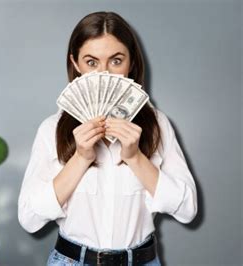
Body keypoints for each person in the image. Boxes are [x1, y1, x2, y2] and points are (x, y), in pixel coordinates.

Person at [17, 11, 198, 266]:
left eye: (116, 61)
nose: (104, 73)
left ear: (131, 62)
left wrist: (136, 158)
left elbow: (187, 210)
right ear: (76, 63)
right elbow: (29, 218)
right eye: (91, 62)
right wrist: (80, 158)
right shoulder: (51, 129)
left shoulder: (157, 126)